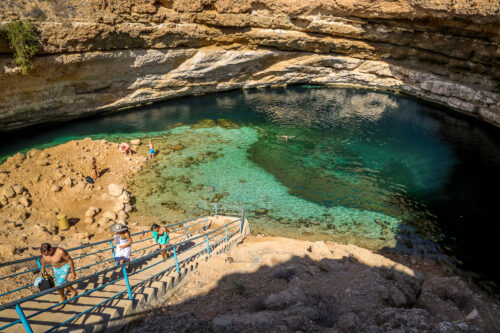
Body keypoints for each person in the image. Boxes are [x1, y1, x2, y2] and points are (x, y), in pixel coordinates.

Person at [40, 243, 77, 310]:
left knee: (58, 285)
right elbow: (43, 259)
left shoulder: (60, 251)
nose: (47, 256)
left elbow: (69, 260)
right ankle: (73, 291)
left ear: (51, 249)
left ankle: (63, 297)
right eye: (45, 255)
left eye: (48, 254)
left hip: (64, 267)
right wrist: (42, 268)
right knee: (63, 283)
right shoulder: (44, 254)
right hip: (55, 268)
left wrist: (73, 272)